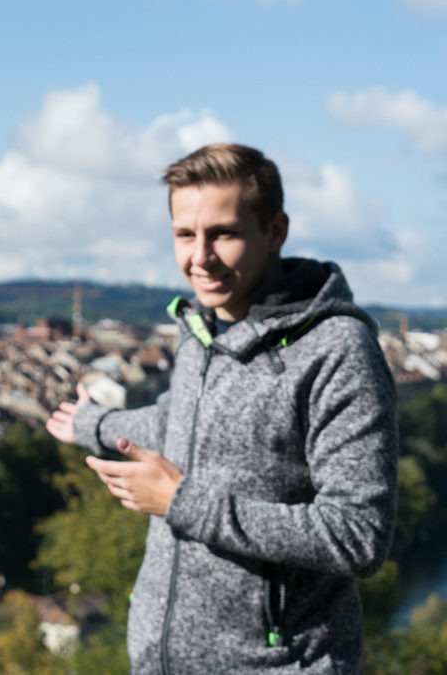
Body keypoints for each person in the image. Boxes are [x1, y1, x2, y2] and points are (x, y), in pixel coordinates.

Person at [47, 143, 397, 673]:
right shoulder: (200, 330)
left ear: (275, 231)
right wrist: (92, 424)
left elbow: (357, 535)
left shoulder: (337, 349)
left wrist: (182, 501)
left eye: (224, 234)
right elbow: (176, 423)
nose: (200, 257)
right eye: (185, 235)